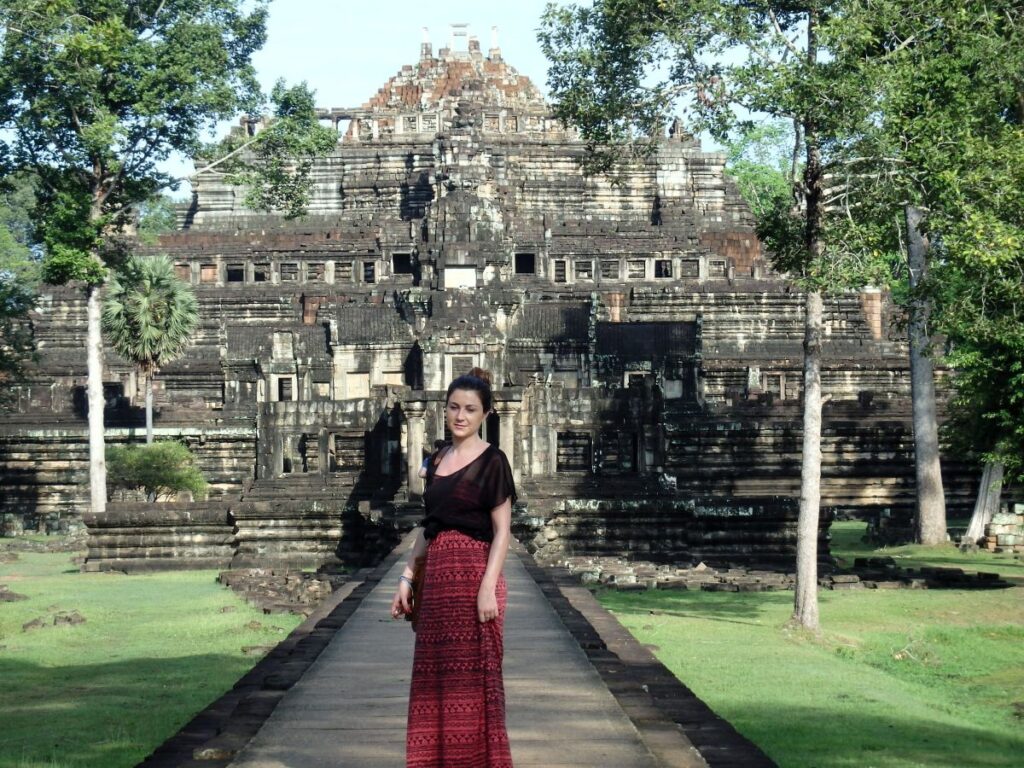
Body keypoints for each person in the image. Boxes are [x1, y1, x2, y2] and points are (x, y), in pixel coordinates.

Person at [391, 368, 516, 768]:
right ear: (444, 410)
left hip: (475, 574)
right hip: (439, 582)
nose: (460, 416)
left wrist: (486, 587)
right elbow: (429, 527)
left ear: (485, 414)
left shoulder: (493, 462)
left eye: (470, 409)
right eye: (453, 407)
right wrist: (408, 578)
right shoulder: (437, 458)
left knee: (474, 680)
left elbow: (502, 533)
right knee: (434, 679)